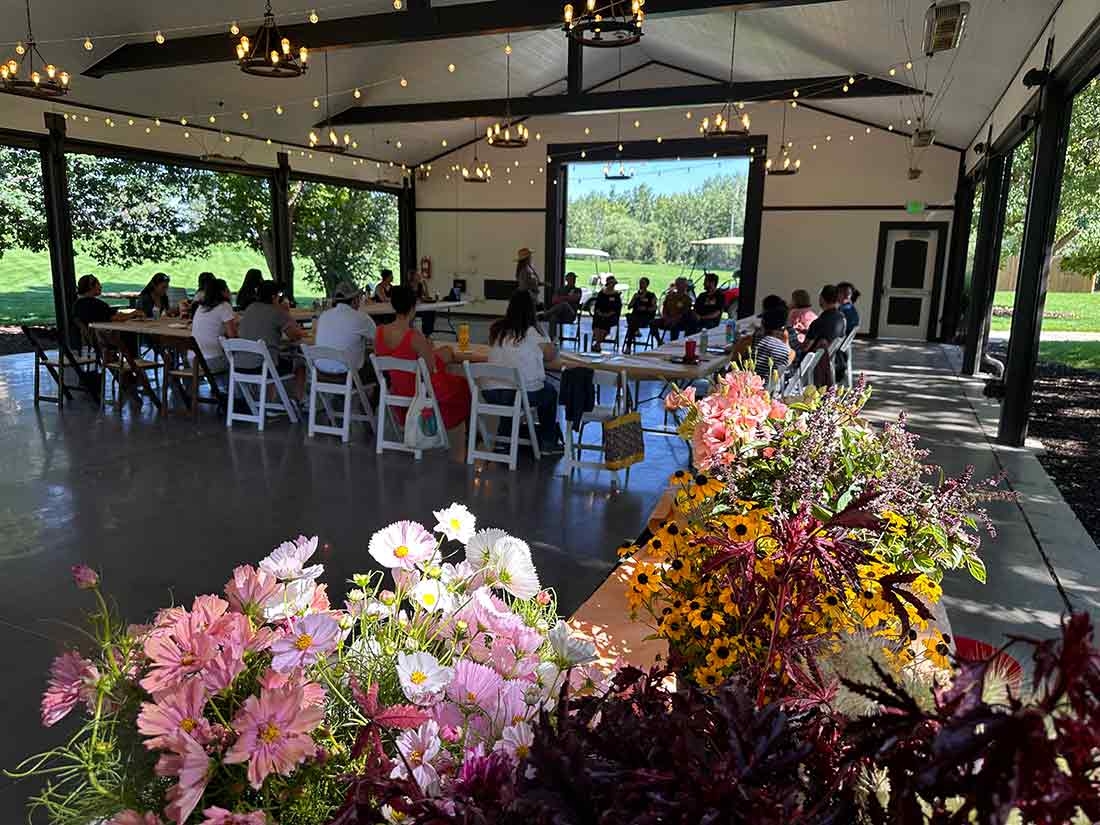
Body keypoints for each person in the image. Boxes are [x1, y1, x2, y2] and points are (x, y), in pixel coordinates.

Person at [374, 284, 470, 433]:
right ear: (413, 308)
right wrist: (429, 348)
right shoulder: (414, 337)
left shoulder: (379, 332)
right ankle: (466, 433)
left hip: (395, 392)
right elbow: (431, 368)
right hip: (418, 395)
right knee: (463, 385)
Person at [484, 291, 562, 454]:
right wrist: (551, 342)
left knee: (510, 389)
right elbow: (551, 355)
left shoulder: (498, 330)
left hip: (491, 392)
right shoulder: (532, 333)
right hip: (517, 394)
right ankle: (548, 441)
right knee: (549, 392)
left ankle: (503, 439)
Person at [237, 280, 307, 397]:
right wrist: (286, 312)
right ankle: (299, 400)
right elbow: (295, 335)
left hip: (240, 364)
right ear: (274, 297)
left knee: (273, 357)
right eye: (279, 295)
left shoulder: (250, 308)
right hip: (262, 366)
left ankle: (269, 400)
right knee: (300, 364)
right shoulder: (277, 311)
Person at [314, 281, 376, 375]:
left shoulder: (324, 316)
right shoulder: (361, 317)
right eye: (359, 298)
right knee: (377, 367)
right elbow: (378, 340)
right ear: (355, 299)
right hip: (348, 375)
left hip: (321, 374)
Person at [190, 278, 238, 373]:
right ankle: (230, 387)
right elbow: (232, 336)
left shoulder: (201, 307)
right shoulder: (224, 306)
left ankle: (222, 387)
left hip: (194, 359)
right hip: (211, 361)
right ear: (223, 291)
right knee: (244, 361)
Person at [753, 309, 796, 382]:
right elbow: (789, 374)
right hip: (770, 389)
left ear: (763, 325)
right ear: (782, 328)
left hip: (746, 387)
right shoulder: (786, 351)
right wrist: (786, 342)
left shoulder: (748, 341)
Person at [539, 271, 582, 339]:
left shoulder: (577, 290)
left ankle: (545, 314)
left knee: (564, 304)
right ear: (567, 280)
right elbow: (554, 300)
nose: (574, 280)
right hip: (560, 314)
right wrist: (567, 298)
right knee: (553, 317)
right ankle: (552, 339)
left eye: (574, 279)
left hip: (570, 314)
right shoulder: (561, 289)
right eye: (572, 279)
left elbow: (575, 298)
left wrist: (561, 298)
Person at [624, 277, 658, 352]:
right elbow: (629, 307)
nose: (641, 284)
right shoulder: (636, 295)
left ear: (647, 285)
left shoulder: (651, 295)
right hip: (635, 316)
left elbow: (654, 308)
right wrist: (634, 299)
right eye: (640, 283)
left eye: (643, 283)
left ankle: (628, 346)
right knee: (630, 318)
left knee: (632, 324)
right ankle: (635, 331)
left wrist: (646, 309)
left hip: (645, 317)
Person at [591, 276, 623, 351]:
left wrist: (609, 314)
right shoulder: (601, 293)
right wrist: (599, 312)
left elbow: (617, 308)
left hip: (611, 315)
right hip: (600, 313)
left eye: (613, 283)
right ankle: (598, 342)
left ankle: (597, 343)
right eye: (610, 283)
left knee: (605, 322)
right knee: (597, 321)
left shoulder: (616, 295)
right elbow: (597, 305)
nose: (611, 285)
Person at [411, 269, 437, 337]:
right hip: (411, 308)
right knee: (427, 313)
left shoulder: (420, 285)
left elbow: (427, 296)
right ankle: (426, 332)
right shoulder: (408, 286)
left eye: (419, 275)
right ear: (413, 276)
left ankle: (428, 332)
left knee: (431, 311)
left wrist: (425, 285)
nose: (419, 276)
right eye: (417, 275)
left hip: (420, 307)